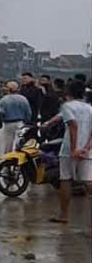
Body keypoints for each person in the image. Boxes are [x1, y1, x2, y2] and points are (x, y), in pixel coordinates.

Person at [48, 89, 92, 226]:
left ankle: (64, 215)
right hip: (86, 150)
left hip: (69, 150)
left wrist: (73, 149)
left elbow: (72, 125)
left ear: (69, 94)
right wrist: (86, 148)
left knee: (65, 179)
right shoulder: (90, 108)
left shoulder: (67, 106)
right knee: (89, 182)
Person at [0, 80, 32, 156]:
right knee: (19, 142)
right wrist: (27, 121)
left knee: (8, 143)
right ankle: (18, 158)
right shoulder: (23, 99)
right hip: (20, 123)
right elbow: (28, 113)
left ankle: (8, 160)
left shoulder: (3, 100)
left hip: (8, 124)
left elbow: (1, 113)